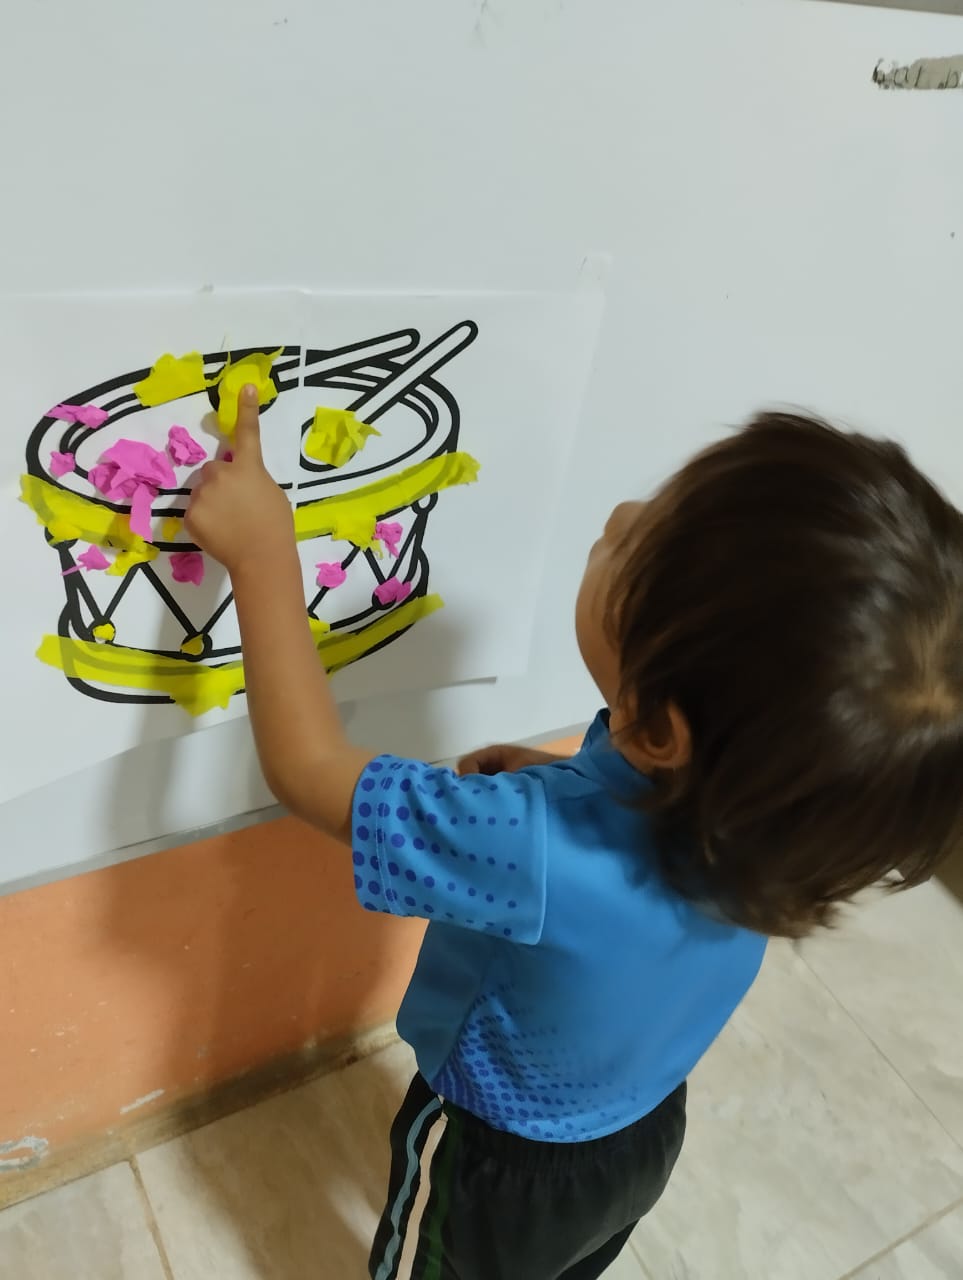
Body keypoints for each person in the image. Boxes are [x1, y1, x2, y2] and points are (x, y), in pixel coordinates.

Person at [186, 385, 963, 1280]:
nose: (619, 514)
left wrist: (262, 553)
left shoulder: (529, 846)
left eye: (639, 544)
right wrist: (551, 776)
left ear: (663, 730)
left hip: (490, 1159)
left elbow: (307, 766)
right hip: (640, 1135)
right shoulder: (778, 828)